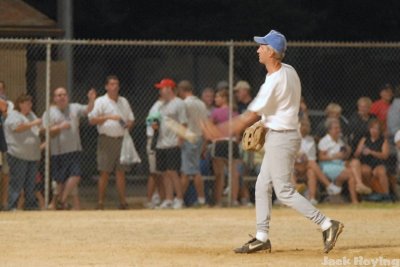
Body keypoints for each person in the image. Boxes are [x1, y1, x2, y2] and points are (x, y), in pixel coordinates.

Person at [202, 30, 343, 254]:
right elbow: (279, 106)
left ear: (273, 52)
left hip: (282, 137)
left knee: (284, 191)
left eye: (262, 46)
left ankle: (327, 223)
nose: (258, 49)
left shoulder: (274, 80)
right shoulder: (289, 71)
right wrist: (267, 122)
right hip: (282, 133)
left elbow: (249, 115)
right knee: (261, 186)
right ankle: (261, 237)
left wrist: (217, 131)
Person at [43, 87, 96, 210]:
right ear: (54, 98)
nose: (62, 97)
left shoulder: (74, 107)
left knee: (76, 175)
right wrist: (60, 127)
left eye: (64, 94)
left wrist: (91, 100)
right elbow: (45, 130)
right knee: (59, 180)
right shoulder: (49, 112)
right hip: (58, 151)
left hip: (74, 150)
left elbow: (88, 110)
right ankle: (58, 203)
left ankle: (62, 199)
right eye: (59, 95)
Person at [88, 75, 135, 210]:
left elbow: (131, 118)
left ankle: (122, 202)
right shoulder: (101, 101)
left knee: (121, 172)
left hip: (121, 139)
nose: (114, 87)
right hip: (106, 140)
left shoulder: (124, 101)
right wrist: (109, 117)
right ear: (106, 87)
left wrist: (128, 125)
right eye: (111, 84)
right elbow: (92, 120)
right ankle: (100, 202)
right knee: (105, 171)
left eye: (116, 84)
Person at [152, 78, 187, 209]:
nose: (160, 91)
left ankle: (179, 198)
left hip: (173, 142)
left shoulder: (179, 103)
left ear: (169, 89)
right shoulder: (162, 105)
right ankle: (168, 199)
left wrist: (180, 139)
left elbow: (183, 122)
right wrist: (155, 126)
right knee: (165, 172)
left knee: (173, 172)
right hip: (162, 142)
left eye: (162, 88)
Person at [4, 94, 42, 210]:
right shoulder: (13, 115)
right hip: (18, 155)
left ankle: (30, 206)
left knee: (30, 184)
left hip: (32, 156)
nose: (30, 105)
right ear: (20, 104)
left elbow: (37, 128)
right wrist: (33, 123)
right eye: (27, 103)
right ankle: (12, 206)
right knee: (17, 183)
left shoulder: (31, 115)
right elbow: (17, 128)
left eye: (30, 103)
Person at [293, 118, 342, 205]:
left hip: (305, 166)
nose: (305, 128)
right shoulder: (292, 137)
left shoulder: (310, 139)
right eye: (303, 125)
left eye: (307, 126)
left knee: (311, 171)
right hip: (293, 167)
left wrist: (303, 159)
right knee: (311, 164)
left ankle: (312, 199)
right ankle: (329, 186)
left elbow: (311, 158)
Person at [177, 80, 208, 206]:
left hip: (189, 137)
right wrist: (205, 143)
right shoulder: (201, 104)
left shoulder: (184, 104)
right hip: (199, 137)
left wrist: (180, 138)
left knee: (190, 170)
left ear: (182, 90)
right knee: (191, 169)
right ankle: (184, 199)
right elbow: (205, 124)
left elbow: (183, 123)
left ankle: (181, 200)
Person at [209, 88, 241, 206]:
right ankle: (234, 200)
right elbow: (238, 132)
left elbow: (210, 128)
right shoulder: (234, 112)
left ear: (224, 99)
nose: (216, 99)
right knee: (234, 173)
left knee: (219, 173)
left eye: (218, 97)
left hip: (219, 142)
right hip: (232, 142)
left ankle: (218, 201)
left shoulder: (215, 112)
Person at [318, 118, 359, 203]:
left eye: (339, 128)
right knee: (350, 174)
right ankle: (355, 200)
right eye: (335, 128)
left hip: (339, 164)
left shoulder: (340, 140)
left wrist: (347, 152)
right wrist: (334, 156)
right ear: (329, 130)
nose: (338, 130)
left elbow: (344, 155)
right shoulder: (325, 141)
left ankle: (339, 197)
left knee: (355, 164)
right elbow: (321, 157)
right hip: (327, 165)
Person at [351, 119, 390, 198]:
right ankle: (368, 193)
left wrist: (371, 152)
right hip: (366, 162)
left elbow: (385, 155)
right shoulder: (364, 139)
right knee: (365, 171)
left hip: (378, 163)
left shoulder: (383, 140)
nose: (374, 131)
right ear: (369, 129)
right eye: (372, 128)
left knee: (381, 172)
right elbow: (356, 155)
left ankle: (386, 195)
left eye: (376, 129)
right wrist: (359, 150)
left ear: (380, 130)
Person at [144, 97, 165, 209]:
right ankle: (149, 200)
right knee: (154, 172)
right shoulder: (157, 106)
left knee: (160, 172)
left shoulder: (166, 106)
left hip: (162, 141)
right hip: (154, 139)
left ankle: (161, 198)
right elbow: (150, 122)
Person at [0, 81, 10, 211]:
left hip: (1, 141)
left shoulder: (5, 102)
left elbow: (3, 108)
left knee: (4, 172)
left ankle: (4, 202)